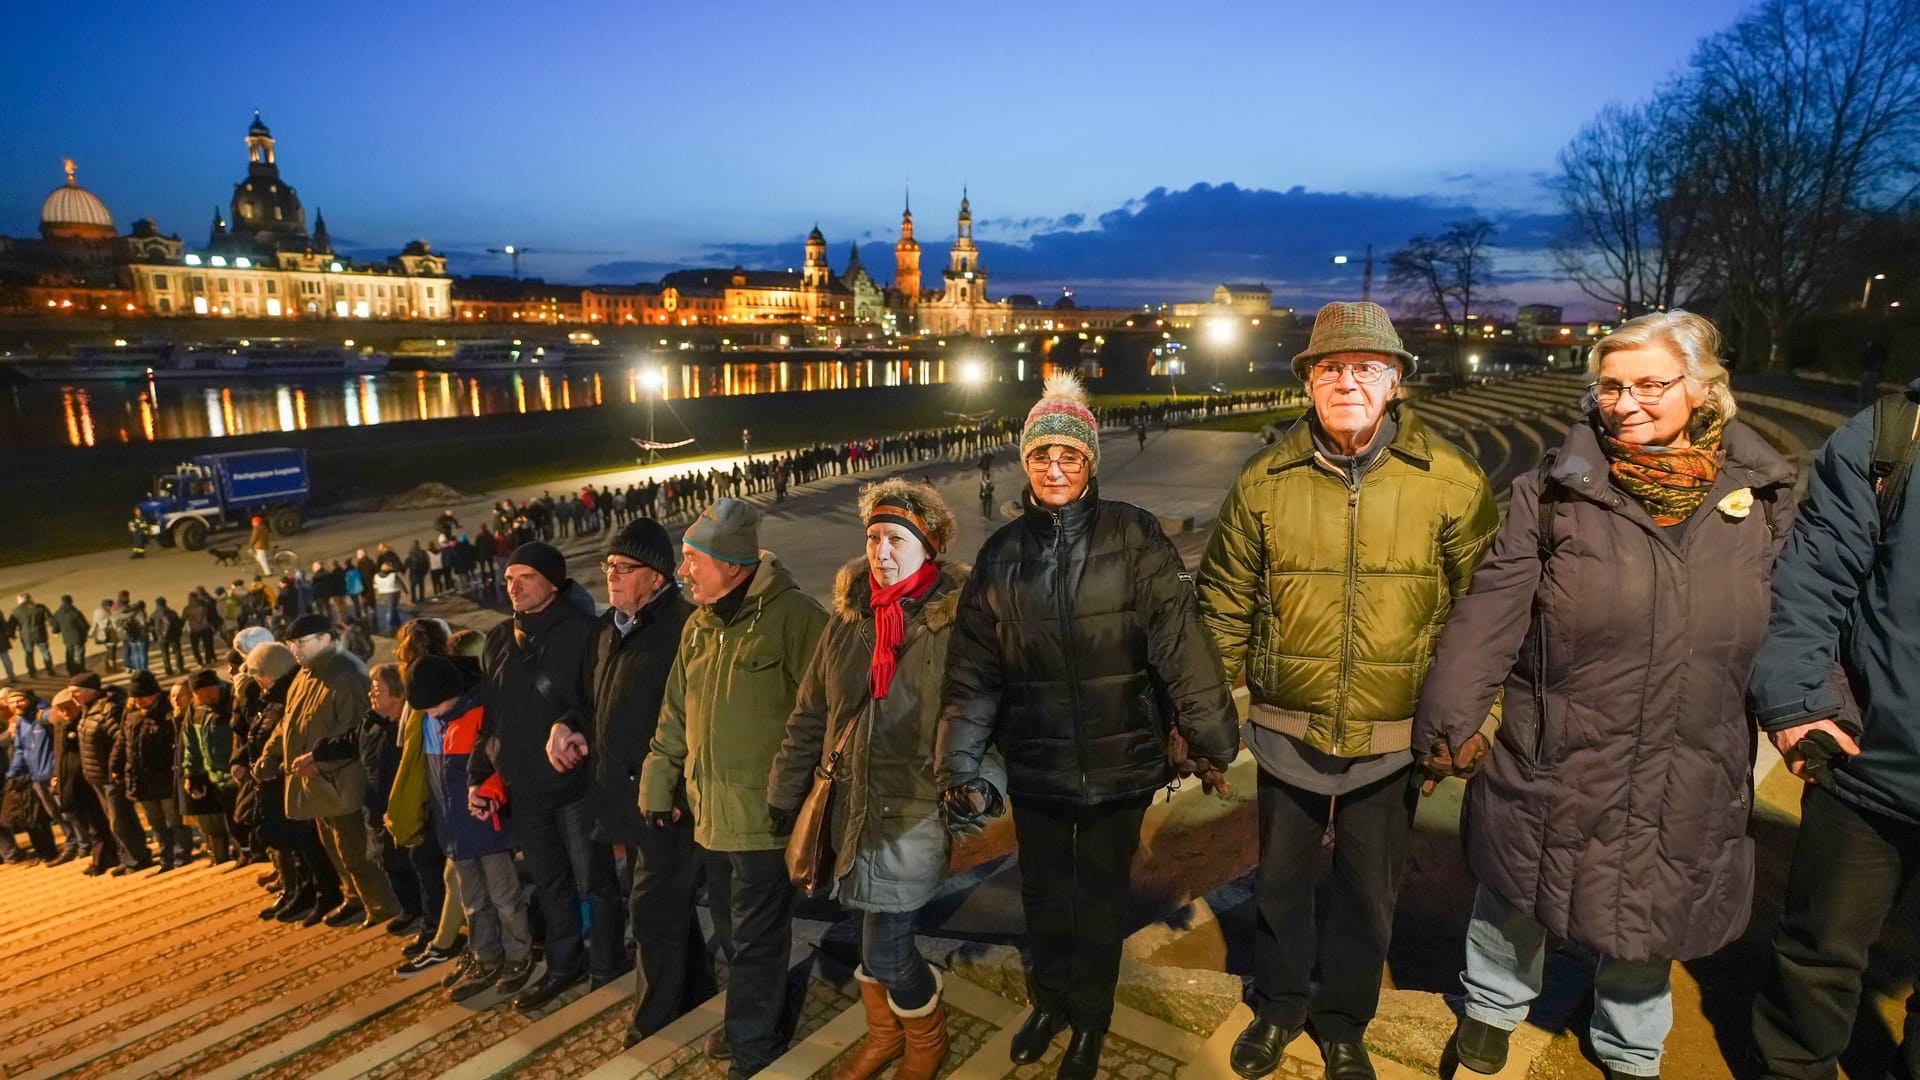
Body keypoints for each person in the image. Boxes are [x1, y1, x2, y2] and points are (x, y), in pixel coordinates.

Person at [1411, 311, 1794, 1080]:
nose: (1627, 402)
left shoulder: (1765, 500)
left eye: (1650, 383)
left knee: (1650, 902)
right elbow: (1492, 609)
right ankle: (1491, 1005)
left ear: (1702, 388)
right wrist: (1452, 715)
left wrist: (1813, 712)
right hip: (1561, 738)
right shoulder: (1551, 491)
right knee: (1520, 880)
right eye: (1612, 386)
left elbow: (1799, 620)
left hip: (1693, 747)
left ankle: (1629, 1043)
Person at [1196, 302, 1499, 1080]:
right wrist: (1200, 716)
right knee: (1282, 882)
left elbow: (1485, 616)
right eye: (1330, 369)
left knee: (1370, 892)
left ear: (1395, 381)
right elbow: (1225, 603)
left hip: (1395, 734)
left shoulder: (1453, 482)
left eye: (1366, 368)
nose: (1347, 382)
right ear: (1307, 386)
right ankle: (1278, 1006)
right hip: (1286, 724)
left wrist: (1476, 717)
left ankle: (1342, 1021)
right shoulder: (1265, 480)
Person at [940, 373, 1240, 1079]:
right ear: (1025, 463)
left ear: (1090, 463)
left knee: (1100, 896)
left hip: (1121, 760)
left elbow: (1180, 641)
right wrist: (958, 761)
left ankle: (1090, 1021)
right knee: (1042, 892)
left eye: (1068, 456)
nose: (1053, 469)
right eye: (1041, 455)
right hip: (1039, 761)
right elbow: (973, 671)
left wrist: (1212, 737)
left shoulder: (1134, 536)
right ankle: (1050, 999)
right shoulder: (1001, 554)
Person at [1747, 375, 1920, 1079]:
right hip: (1869, 761)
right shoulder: (1893, 435)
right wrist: (1797, 704)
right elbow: (1812, 579)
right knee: (1818, 956)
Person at [771, 480, 971, 1079]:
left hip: (912, 810)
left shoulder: (955, 626)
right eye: (874, 538)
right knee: (868, 934)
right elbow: (810, 712)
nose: (881, 552)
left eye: (896, 539)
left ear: (927, 547)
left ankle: (927, 1040)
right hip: (849, 807)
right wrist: (786, 792)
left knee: (886, 947)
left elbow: (980, 719)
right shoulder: (848, 620)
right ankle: (886, 1035)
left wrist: (974, 790)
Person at [639, 499, 829, 1077]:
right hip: (710, 816)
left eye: (694, 559)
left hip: (766, 818)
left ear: (734, 565)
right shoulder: (698, 626)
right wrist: (658, 781)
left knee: (755, 938)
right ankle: (754, 1019)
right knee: (730, 932)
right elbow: (675, 712)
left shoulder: (796, 618)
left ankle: (754, 1047)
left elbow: (828, 713)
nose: (684, 572)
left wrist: (798, 794)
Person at [569, 519, 704, 1045]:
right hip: (623, 795)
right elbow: (591, 701)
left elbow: (693, 720)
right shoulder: (609, 629)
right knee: (667, 908)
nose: (612, 577)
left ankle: (655, 1022)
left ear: (657, 576)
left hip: (666, 800)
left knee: (650, 910)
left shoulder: (684, 628)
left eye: (625, 568)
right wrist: (570, 726)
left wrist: (672, 789)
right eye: (608, 567)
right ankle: (695, 990)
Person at [472, 541, 623, 1011]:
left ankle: (608, 964)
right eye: (509, 580)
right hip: (525, 789)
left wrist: (571, 723)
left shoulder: (585, 633)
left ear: (553, 583)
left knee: (594, 881)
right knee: (551, 882)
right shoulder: (498, 639)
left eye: (525, 578)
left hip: (575, 787)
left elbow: (600, 703)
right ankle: (563, 965)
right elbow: (490, 713)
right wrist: (481, 773)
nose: (513, 587)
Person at [408, 654, 536, 1003]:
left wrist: (490, 798)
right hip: (457, 833)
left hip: (487, 828)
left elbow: (495, 765)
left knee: (505, 898)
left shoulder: (475, 716)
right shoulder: (438, 724)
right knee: (474, 902)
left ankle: (518, 955)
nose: (429, 712)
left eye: (433, 704)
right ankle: (485, 956)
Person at [273, 612, 400, 928]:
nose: (295, 650)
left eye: (301, 643)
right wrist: (271, 754)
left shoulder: (347, 674)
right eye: (291, 645)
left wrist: (322, 761)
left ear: (325, 639)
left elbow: (358, 731)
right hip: (316, 780)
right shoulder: (306, 674)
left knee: (356, 853)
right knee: (336, 850)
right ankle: (355, 899)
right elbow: (290, 723)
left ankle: (383, 906)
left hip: (342, 781)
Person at [71, 672, 150, 873]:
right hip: (97, 776)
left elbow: (120, 740)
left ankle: (137, 858)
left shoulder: (107, 710)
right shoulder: (87, 710)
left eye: (76, 692)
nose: (73, 698)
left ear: (90, 692)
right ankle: (127, 858)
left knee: (120, 820)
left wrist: (116, 767)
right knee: (114, 821)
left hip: (111, 776)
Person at [113, 670, 189, 871]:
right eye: (135, 697)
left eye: (142, 697)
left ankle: (181, 854)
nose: (138, 701)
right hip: (140, 778)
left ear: (154, 694)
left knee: (173, 819)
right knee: (156, 823)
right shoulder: (130, 715)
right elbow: (122, 741)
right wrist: (115, 766)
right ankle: (166, 858)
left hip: (164, 776)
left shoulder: (167, 713)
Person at [181, 669, 243, 863]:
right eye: (202, 694)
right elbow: (191, 743)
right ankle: (245, 853)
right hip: (217, 777)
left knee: (246, 818)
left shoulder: (234, 700)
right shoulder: (195, 709)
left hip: (238, 772)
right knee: (233, 821)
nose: (208, 696)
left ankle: (255, 853)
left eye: (211, 690)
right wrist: (192, 772)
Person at [11, 594, 53, 678]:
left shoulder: (16, 611)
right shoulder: (40, 608)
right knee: (45, 652)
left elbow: (12, 624)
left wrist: (12, 635)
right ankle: (49, 670)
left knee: (29, 654)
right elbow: (50, 619)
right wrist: (55, 629)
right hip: (40, 634)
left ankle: (31, 672)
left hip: (26, 637)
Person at [52, 596, 89, 676]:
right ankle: (80, 670)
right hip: (78, 636)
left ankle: (71, 670)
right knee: (79, 654)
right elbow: (84, 625)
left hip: (66, 637)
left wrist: (55, 631)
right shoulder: (75, 613)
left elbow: (55, 624)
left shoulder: (58, 613)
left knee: (69, 653)